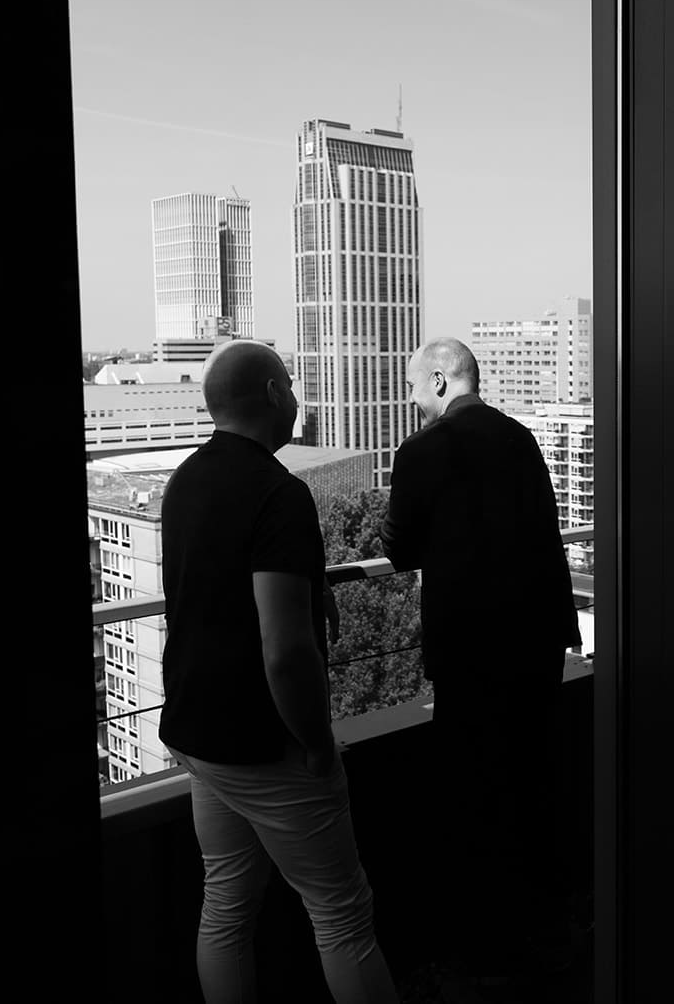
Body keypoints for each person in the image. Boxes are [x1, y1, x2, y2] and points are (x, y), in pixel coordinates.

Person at [159, 340, 399, 1004]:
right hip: (263, 742)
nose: (298, 398)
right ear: (271, 394)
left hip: (198, 734)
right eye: (291, 385)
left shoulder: (185, 481)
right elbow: (285, 649)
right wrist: (317, 741)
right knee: (342, 912)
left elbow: (216, 589)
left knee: (226, 903)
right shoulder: (278, 492)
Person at [380, 337, 582, 984]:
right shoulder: (521, 438)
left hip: (470, 648)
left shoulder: (422, 450)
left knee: (475, 786)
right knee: (534, 773)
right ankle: (541, 919)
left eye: (415, 388)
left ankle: (488, 944)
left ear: (440, 381)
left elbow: (400, 547)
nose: (414, 402)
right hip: (536, 639)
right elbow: (546, 529)